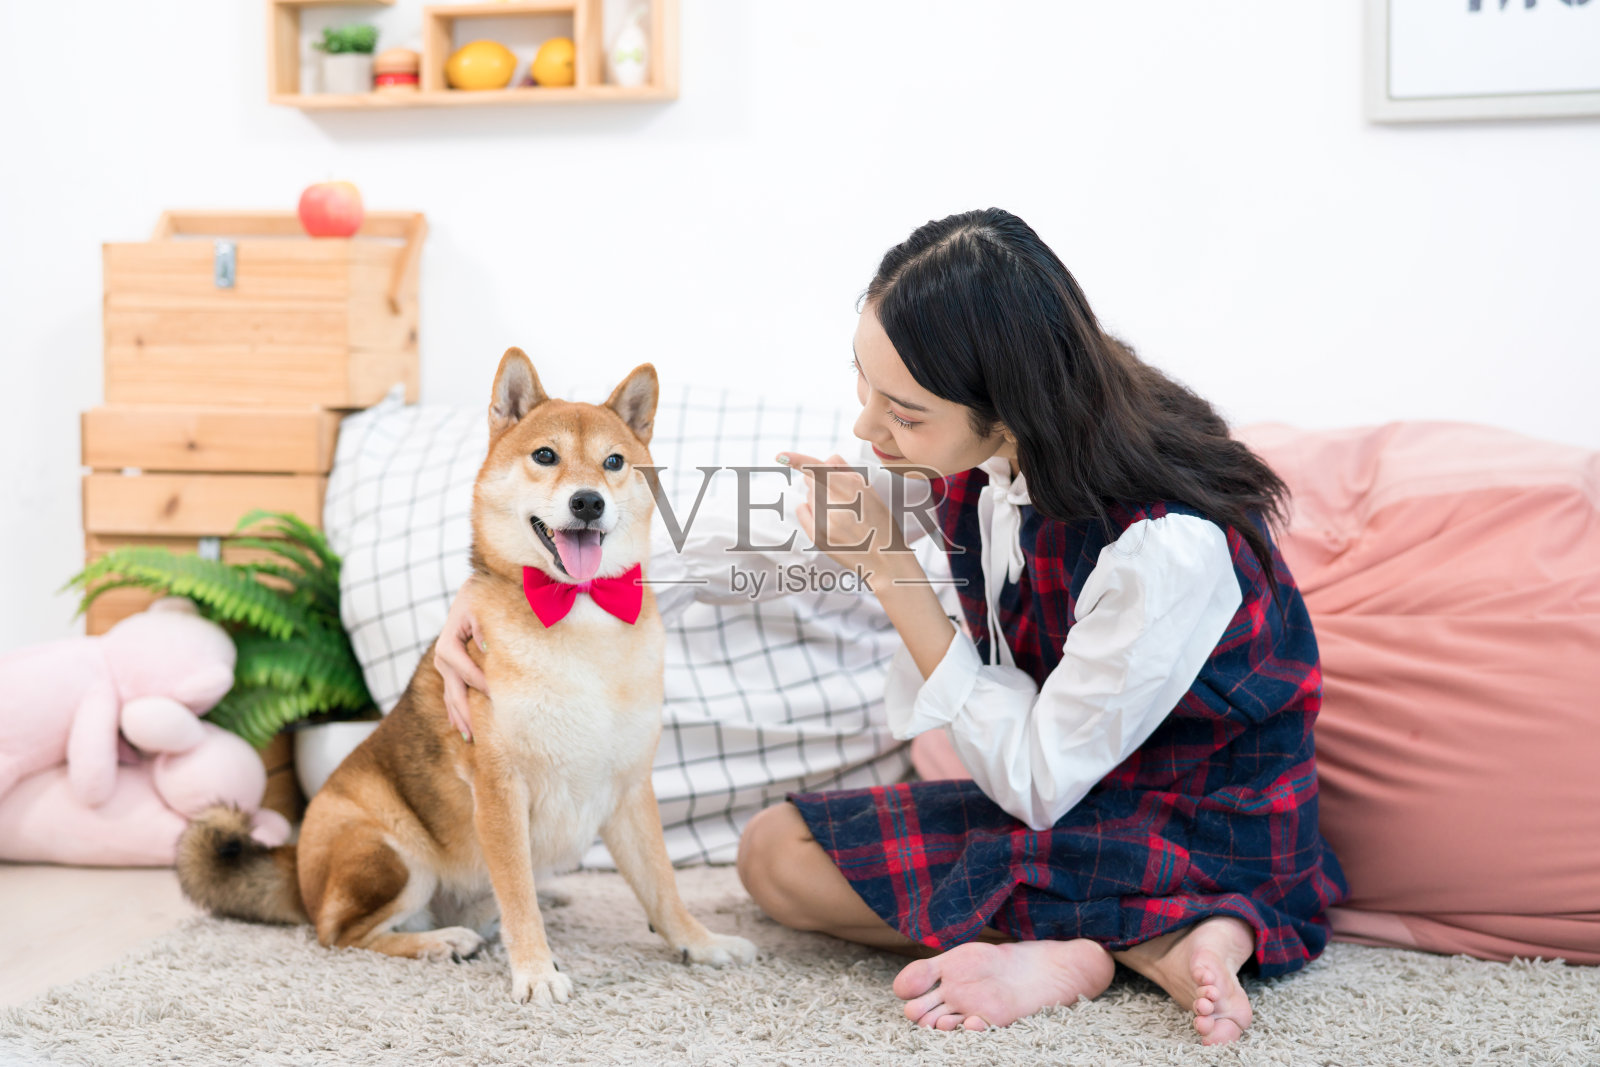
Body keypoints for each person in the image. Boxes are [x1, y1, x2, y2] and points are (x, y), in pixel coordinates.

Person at [433, 208, 1348, 1045]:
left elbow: (1034, 782)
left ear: (1007, 404)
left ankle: (1128, 936)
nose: (870, 425)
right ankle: (1142, 946)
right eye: (866, 386)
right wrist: (511, 578)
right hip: (1069, 802)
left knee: (965, 838)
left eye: (903, 410)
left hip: (1198, 822)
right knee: (772, 855)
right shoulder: (978, 457)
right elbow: (762, 536)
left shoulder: (1167, 549)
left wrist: (890, 570)